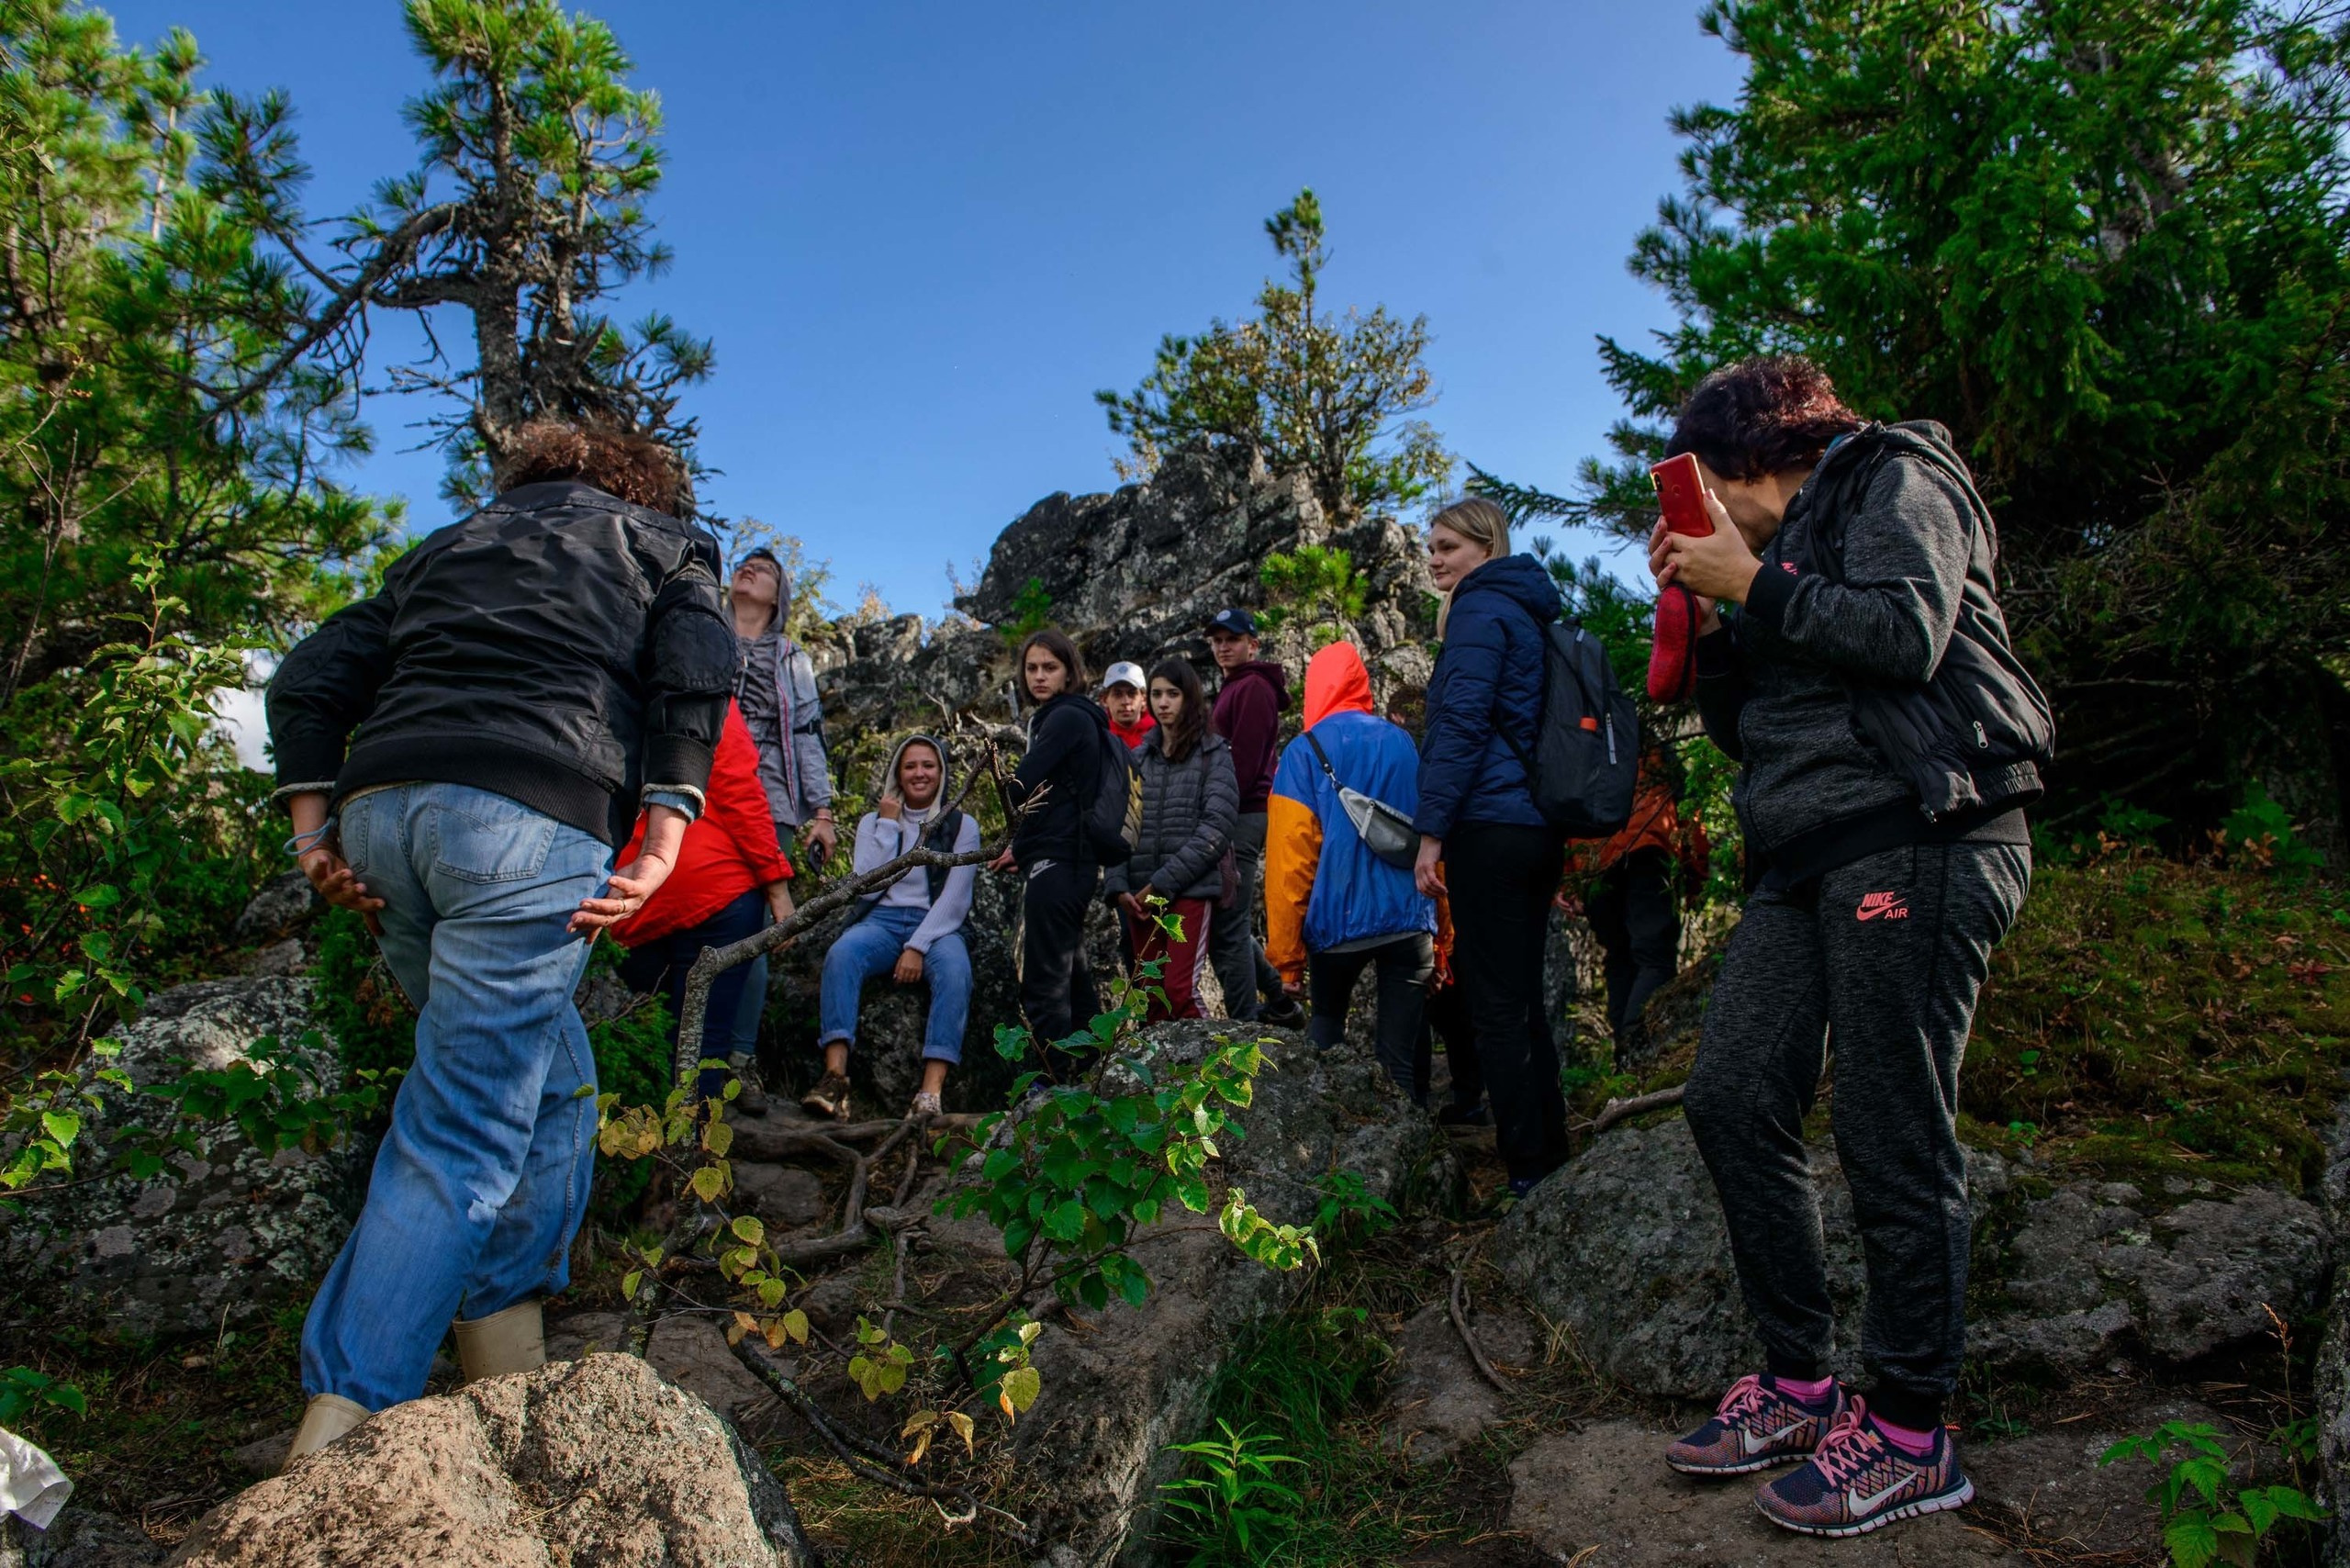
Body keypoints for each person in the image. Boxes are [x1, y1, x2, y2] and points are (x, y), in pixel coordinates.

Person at [263, 419, 733, 1463]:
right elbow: (698, 667)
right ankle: (338, 1434)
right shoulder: (661, 540)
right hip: (526, 814)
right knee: (461, 1127)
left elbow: (310, 672)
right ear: (643, 485)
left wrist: (312, 836)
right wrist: (663, 835)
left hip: (382, 816)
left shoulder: (451, 543)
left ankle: (504, 1368)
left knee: (554, 1082)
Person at [1649, 356, 2042, 1539]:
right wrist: (1716, 623)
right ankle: (1801, 1384)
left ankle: (1913, 1432)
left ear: (1757, 457)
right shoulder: (1769, 562)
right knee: (1728, 1095)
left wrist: (1751, 581)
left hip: (1921, 828)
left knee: (1886, 1117)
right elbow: (1745, 733)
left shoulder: (1893, 472)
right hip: (1800, 857)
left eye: (1709, 484)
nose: (1706, 511)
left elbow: (1905, 633)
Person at [1412, 497, 1572, 1200]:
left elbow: (1462, 725)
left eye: (1448, 547)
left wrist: (1431, 833)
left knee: (1497, 1007)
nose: (1435, 560)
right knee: (1523, 999)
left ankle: (1528, 1168)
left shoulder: (1479, 610)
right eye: (1431, 548)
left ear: (1487, 546)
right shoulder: (1528, 611)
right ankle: (1550, 1149)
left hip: (1489, 826)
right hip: (1535, 826)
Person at [1265, 642, 1438, 1099]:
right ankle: (1415, 1137)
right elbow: (1434, 836)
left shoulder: (1303, 752)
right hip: (1409, 919)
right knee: (1400, 1061)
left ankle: (1322, 1132)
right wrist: (1444, 936)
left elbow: (1290, 863)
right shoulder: (1402, 741)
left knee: (1325, 1030)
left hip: (1336, 924)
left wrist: (1286, 961)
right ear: (1362, 686)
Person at [610, 703, 796, 1099]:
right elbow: (740, 792)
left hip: (629, 895)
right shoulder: (706, 694)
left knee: (658, 1037)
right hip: (716, 891)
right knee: (703, 1045)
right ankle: (693, 1137)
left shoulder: (611, 683)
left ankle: (651, 1133)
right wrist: (777, 888)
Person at [808, 734, 982, 1121]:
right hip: (881, 921)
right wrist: (888, 825)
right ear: (897, 774)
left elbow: (955, 898)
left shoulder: (961, 825)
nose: (920, 773)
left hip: (937, 925)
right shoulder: (873, 821)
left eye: (928, 765)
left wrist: (917, 946)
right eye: (910, 766)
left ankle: (930, 1093)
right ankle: (835, 1080)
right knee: (842, 955)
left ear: (941, 773)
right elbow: (866, 883)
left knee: (955, 970)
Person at [726, 546, 839, 1112]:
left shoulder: (791, 657)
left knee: (752, 928)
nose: (750, 569)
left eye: (766, 569)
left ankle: (738, 1062)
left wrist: (823, 812)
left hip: (770, 800)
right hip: (697, 790)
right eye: (745, 564)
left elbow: (807, 733)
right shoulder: (701, 631)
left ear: (780, 597)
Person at [992, 628, 1113, 1065]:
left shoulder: (1065, 718)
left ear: (1069, 672)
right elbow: (1056, 797)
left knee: (1044, 983)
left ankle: (1054, 1083)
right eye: (1031, 668)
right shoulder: (1077, 717)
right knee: (1073, 976)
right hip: (1071, 861)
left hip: (1059, 863)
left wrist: (1015, 829)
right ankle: (1095, 1073)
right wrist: (1022, 848)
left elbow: (1021, 785)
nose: (1039, 676)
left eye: (1050, 667)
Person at [1559, 746, 1709, 1067]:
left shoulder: (1579, 746)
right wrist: (1697, 876)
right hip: (1646, 851)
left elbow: (1560, 807)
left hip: (1593, 859)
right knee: (1653, 957)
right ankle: (1637, 1054)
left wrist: (1569, 877)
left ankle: (1626, 1059)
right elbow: (1689, 812)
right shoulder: (1653, 747)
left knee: (1621, 959)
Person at [1103, 659, 1236, 1022]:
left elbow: (1216, 830)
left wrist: (1160, 885)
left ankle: (1219, 1060)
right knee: (1150, 998)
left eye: (1173, 694)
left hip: (1189, 890)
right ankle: (1163, 1066)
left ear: (1189, 698)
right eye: (1158, 694)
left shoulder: (1214, 754)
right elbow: (1121, 827)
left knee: (1179, 991)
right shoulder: (1138, 757)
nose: (1163, 703)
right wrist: (1117, 886)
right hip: (1139, 896)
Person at [1203, 608, 1304, 1028]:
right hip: (1237, 812)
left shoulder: (1254, 688)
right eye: (1217, 640)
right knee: (1228, 924)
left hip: (1242, 814)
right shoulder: (1235, 686)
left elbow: (1243, 763)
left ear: (1253, 644)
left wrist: (1215, 814)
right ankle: (1279, 1002)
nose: (1224, 647)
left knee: (1228, 925)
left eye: (1233, 639)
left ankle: (1245, 1028)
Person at [1098, 660, 1158, 750]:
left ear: (1144, 699)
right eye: (1118, 694)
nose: (1125, 701)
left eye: (1132, 694)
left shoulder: (1162, 734)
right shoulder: (1097, 738)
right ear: (1105, 700)